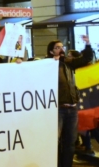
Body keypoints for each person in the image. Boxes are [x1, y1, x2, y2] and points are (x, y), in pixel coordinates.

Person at [49, 36, 95, 167]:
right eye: (57, 48)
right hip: (58, 108)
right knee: (56, 141)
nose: (61, 49)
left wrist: (87, 44)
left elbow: (86, 58)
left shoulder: (69, 63)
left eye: (62, 46)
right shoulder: (48, 64)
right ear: (51, 52)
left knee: (70, 142)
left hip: (72, 108)